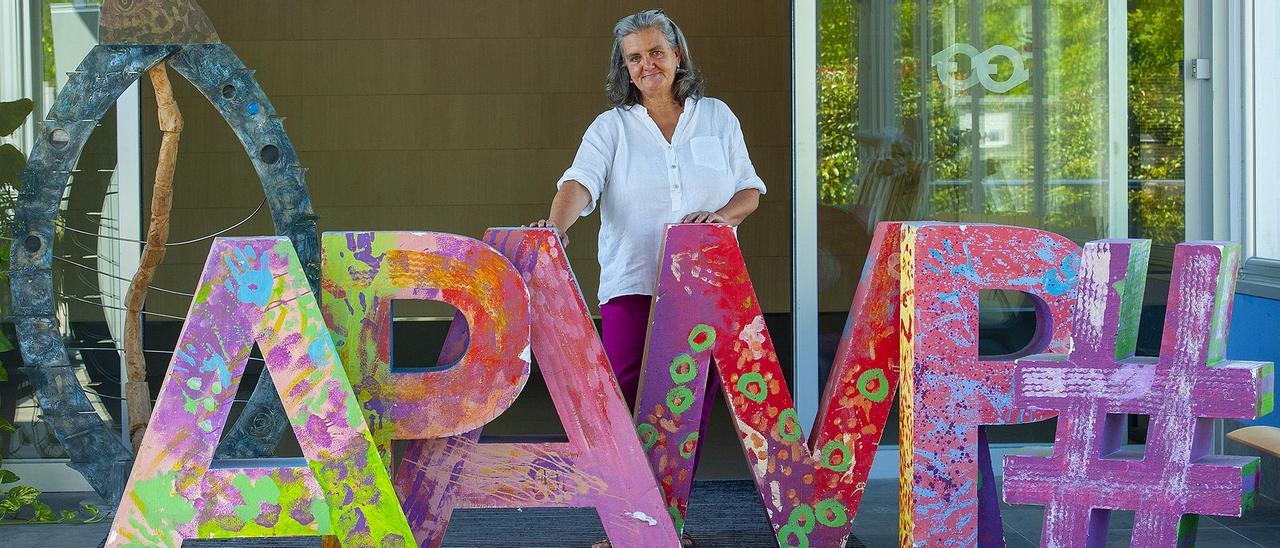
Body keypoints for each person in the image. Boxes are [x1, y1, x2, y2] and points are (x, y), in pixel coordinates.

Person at [530, 10, 764, 546]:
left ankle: (667, 526)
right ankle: (625, 528)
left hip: (706, 285)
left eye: (656, 52)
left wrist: (722, 219)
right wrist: (556, 227)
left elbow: (749, 190)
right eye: (634, 57)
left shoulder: (718, 118)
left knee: (689, 406)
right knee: (626, 402)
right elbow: (579, 184)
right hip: (632, 284)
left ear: (678, 54)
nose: (646, 64)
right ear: (625, 68)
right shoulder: (611, 127)